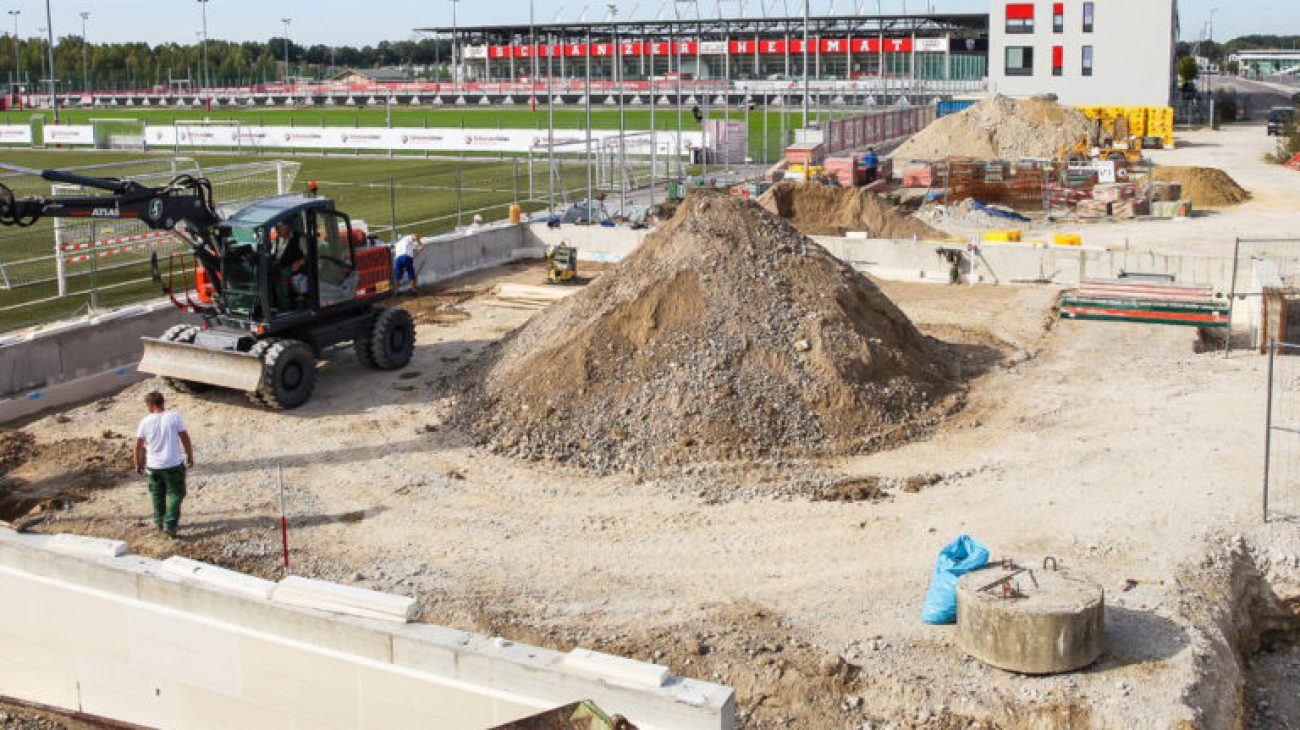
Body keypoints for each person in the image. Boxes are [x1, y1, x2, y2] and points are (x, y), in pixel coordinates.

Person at [133, 391, 194, 537]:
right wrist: (190, 455)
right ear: (162, 402)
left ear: (150, 405)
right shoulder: (174, 417)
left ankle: (159, 521)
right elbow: (185, 438)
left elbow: (138, 445)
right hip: (173, 464)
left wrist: (138, 463)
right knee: (176, 493)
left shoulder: (145, 422)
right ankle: (170, 523)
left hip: (153, 466)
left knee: (157, 494)